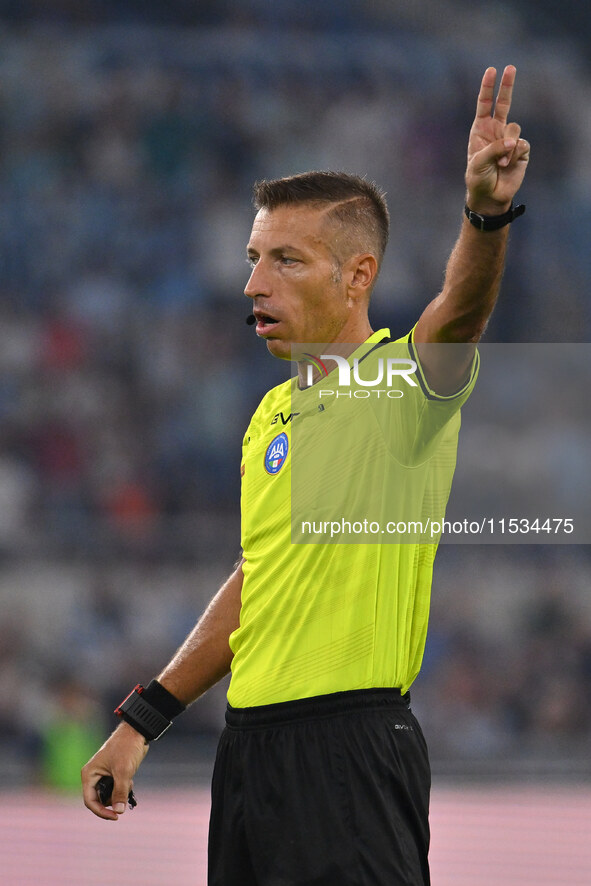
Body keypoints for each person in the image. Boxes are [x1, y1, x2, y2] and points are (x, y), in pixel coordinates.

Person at [82, 65, 530, 885]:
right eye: (253, 258)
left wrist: (485, 212)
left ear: (355, 275)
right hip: (249, 751)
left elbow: (459, 311)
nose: (253, 283)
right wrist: (146, 717)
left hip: (351, 751)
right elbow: (260, 579)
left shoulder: (402, 384)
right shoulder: (268, 419)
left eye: (285, 260)